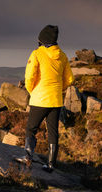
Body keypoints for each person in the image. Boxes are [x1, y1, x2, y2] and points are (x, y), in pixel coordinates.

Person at [17, 25, 74, 172]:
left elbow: (29, 77)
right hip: (56, 100)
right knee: (53, 131)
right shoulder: (62, 55)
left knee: (31, 128)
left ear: (42, 39)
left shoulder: (37, 53)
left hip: (40, 98)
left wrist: (33, 90)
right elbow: (69, 79)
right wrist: (58, 90)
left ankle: (28, 157)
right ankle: (50, 164)